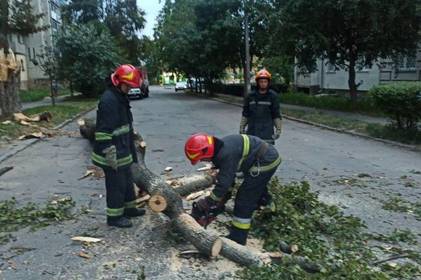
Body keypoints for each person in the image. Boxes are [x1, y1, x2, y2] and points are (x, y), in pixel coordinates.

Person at [184, 133, 281, 245]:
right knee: (255, 188)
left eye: (201, 159)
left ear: (207, 152)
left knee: (244, 199)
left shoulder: (224, 155)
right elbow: (229, 179)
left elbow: (224, 183)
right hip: (258, 157)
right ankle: (269, 206)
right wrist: (223, 198)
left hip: (266, 160)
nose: (202, 161)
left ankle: (238, 238)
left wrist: (209, 201)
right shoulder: (220, 149)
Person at [92, 64, 145, 228]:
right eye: (128, 86)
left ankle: (129, 209)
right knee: (116, 185)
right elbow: (103, 131)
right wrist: (109, 153)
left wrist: (133, 151)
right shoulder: (109, 100)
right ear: (118, 82)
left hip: (123, 149)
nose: (129, 89)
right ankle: (114, 217)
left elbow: (125, 126)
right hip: (112, 151)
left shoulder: (120, 97)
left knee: (128, 182)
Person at [240, 69, 282, 145]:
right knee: (252, 154)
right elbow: (246, 113)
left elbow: (276, 114)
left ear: (268, 83)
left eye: (265, 82)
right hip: (252, 132)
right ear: (257, 82)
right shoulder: (250, 96)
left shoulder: (273, 96)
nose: (263, 84)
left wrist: (278, 130)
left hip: (267, 133)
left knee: (267, 155)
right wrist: (242, 127)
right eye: (261, 81)